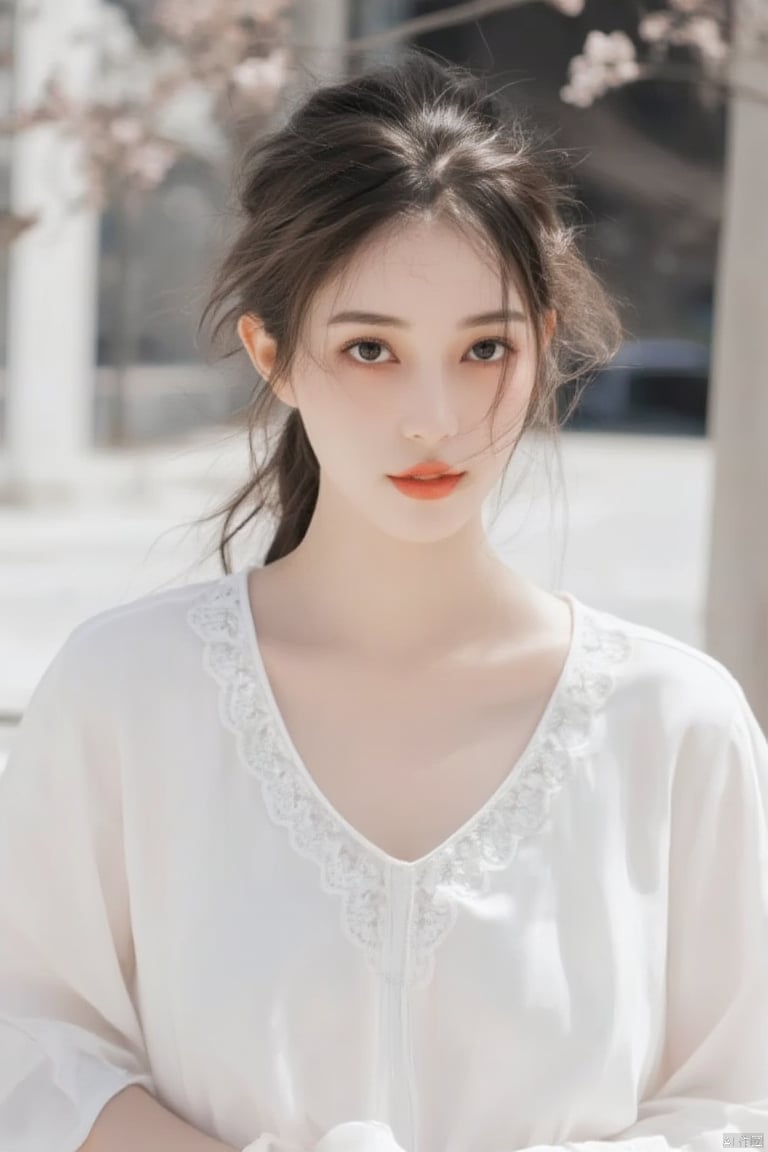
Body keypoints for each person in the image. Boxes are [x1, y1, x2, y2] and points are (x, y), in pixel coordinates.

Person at [0, 48, 766, 1152]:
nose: (433, 417)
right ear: (274, 353)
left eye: (483, 349)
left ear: (543, 349)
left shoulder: (674, 725)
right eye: (370, 348)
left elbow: (740, 1104)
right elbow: (31, 1049)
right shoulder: (127, 697)